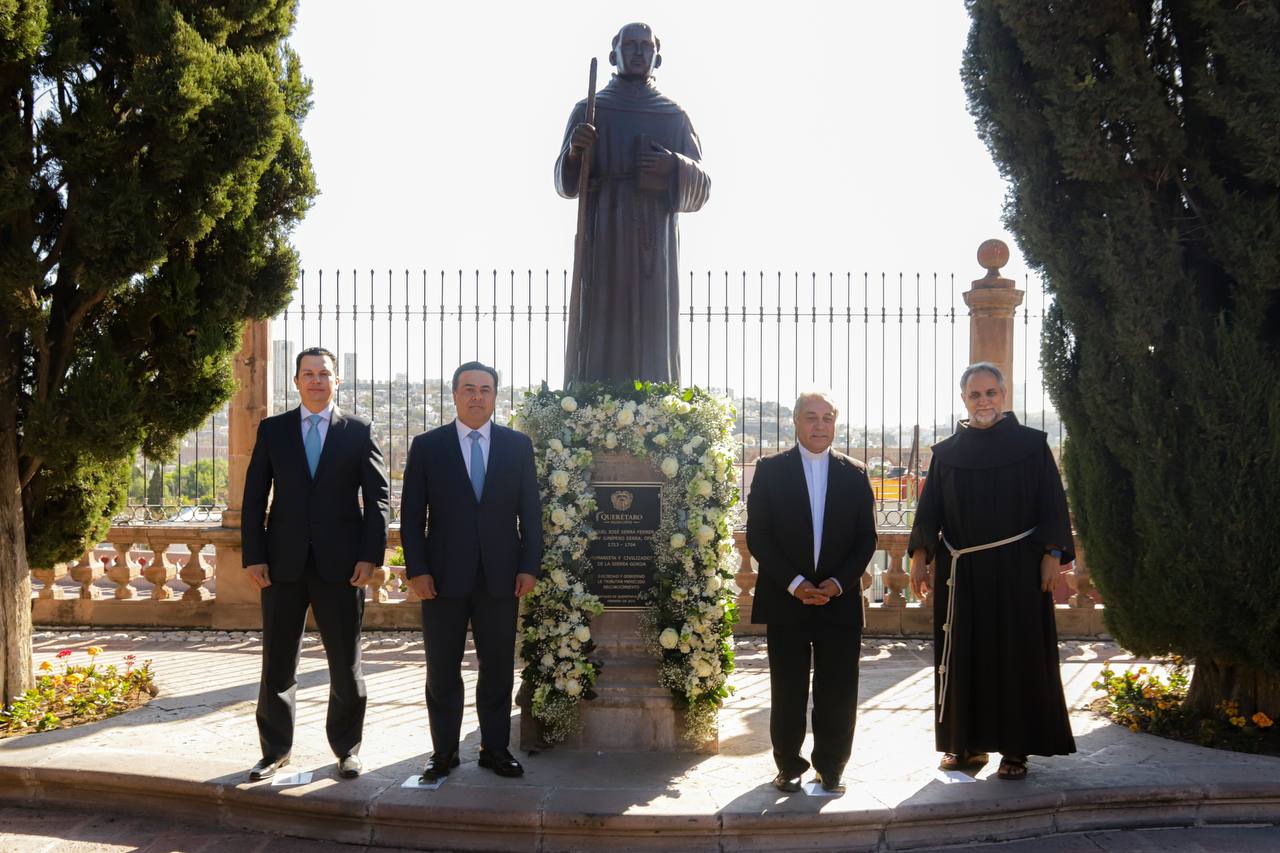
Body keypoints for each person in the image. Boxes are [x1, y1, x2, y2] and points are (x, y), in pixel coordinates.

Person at [908, 362, 1076, 780]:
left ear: (1004, 396)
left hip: (1018, 570)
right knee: (964, 659)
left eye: (990, 393)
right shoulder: (945, 454)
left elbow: (1052, 504)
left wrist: (1053, 553)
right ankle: (966, 747)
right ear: (963, 399)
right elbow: (930, 511)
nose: (983, 401)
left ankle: (1015, 750)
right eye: (974, 394)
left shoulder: (1032, 446)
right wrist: (918, 556)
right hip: (960, 574)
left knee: (1015, 658)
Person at [241, 346, 390, 781]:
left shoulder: (359, 430)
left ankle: (347, 749)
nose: (316, 381)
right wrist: (254, 556)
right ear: (296, 382)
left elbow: (379, 499)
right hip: (281, 564)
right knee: (277, 663)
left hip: (342, 566)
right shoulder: (273, 430)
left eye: (324, 373)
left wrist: (370, 556)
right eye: (308, 374)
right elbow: (254, 498)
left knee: (345, 663)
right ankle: (274, 751)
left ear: (337, 380)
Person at [400, 361, 543, 782]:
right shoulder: (428, 446)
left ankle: (495, 749)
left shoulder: (517, 446)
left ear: (496, 396)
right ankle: (443, 753)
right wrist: (418, 569)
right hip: (441, 579)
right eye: (468, 388)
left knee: (497, 668)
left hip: (501, 576)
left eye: (485, 389)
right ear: (455, 395)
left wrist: (529, 566)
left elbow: (530, 513)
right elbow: (412, 517)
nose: (477, 396)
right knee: (442, 669)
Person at [556, 21, 711, 385]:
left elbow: (703, 186)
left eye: (646, 46)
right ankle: (597, 397)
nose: (639, 52)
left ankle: (656, 403)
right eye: (631, 45)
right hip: (605, 234)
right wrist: (577, 150)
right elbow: (565, 183)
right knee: (603, 321)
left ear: (658, 58)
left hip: (655, 244)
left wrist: (673, 165)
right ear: (615, 55)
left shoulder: (673, 115)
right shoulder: (590, 110)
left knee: (655, 325)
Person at [746, 391, 878, 793]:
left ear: (835, 423)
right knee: (787, 688)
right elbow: (759, 536)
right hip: (787, 598)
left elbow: (866, 539)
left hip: (838, 601)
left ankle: (832, 766)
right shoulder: (769, 470)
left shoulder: (855, 472)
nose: (819, 425)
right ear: (795, 422)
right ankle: (788, 764)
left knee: (838, 689)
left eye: (827, 417)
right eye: (811, 417)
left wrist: (837, 583)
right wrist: (795, 583)